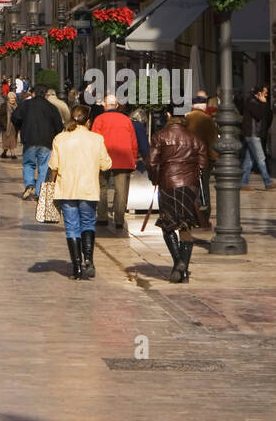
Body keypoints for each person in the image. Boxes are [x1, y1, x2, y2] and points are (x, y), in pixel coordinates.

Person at [48, 105, 113, 280]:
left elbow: (53, 165)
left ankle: (76, 268)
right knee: (88, 223)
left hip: (66, 189)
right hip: (88, 188)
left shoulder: (60, 139)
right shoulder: (96, 139)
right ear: (88, 120)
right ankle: (89, 260)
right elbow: (106, 164)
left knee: (71, 227)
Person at [148, 105, 208, 283]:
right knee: (185, 225)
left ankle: (179, 262)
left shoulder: (160, 136)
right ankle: (183, 271)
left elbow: (151, 162)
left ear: (168, 115)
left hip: (168, 183)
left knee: (168, 225)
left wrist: (155, 178)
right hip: (189, 186)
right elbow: (203, 165)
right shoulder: (195, 138)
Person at [91, 94, 139, 231]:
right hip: (123, 159)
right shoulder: (126, 120)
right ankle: (119, 219)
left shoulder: (99, 119)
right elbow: (133, 142)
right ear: (117, 106)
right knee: (121, 190)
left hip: (103, 158)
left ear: (105, 105)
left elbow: (94, 140)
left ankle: (102, 217)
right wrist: (134, 159)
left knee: (102, 188)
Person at [12, 87, 63, 201]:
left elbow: (15, 117)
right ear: (46, 95)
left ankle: (29, 183)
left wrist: (21, 126)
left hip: (29, 139)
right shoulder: (51, 107)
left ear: (33, 93)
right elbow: (59, 125)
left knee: (28, 164)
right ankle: (40, 192)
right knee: (44, 166)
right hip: (46, 141)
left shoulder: (26, 105)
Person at [186, 91, 218, 222]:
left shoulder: (187, 118)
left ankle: (191, 213)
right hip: (205, 159)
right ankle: (204, 214)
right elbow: (213, 139)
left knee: (190, 186)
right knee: (204, 186)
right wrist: (214, 157)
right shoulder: (207, 119)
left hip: (189, 158)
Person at [240, 84, 273, 190]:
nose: (266, 95)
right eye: (265, 93)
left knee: (248, 160)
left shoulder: (257, 102)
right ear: (259, 93)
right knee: (261, 159)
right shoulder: (251, 101)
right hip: (252, 135)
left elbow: (267, 115)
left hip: (255, 134)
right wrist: (263, 103)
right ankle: (268, 182)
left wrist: (264, 103)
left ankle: (243, 183)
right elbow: (258, 115)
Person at [0, 89, 19, 159]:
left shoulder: (17, 106)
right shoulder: (4, 106)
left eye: (14, 98)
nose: (13, 99)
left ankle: (4, 153)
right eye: (11, 98)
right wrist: (3, 124)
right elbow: (0, 115)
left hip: (14, 126)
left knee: (12, 140)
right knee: (8, 140)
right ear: (8, 98)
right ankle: (13, 154)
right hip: (6, 126)